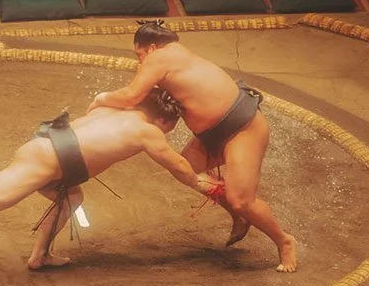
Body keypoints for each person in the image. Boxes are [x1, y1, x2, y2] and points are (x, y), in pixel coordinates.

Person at [0, 89, 218, 271]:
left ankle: (40, 256)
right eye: (170, 126)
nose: (169, 132)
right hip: (49, 158)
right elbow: (176, 166)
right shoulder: (147, 130)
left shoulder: (117, 109)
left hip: (53, 151)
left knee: (73, 199)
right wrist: (200, 183)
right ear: (162, 119)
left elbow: (96, 103)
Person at [89, 21, 298, 272]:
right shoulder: (174, 57)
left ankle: (284, 241)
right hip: (214, 133)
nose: (139, 61)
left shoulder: (161, 57)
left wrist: (101, 98)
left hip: (242, 128)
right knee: (188, 169)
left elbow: (132, 96)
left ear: (152, 47)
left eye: (139, 55)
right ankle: (238, 215)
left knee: (242, 199)